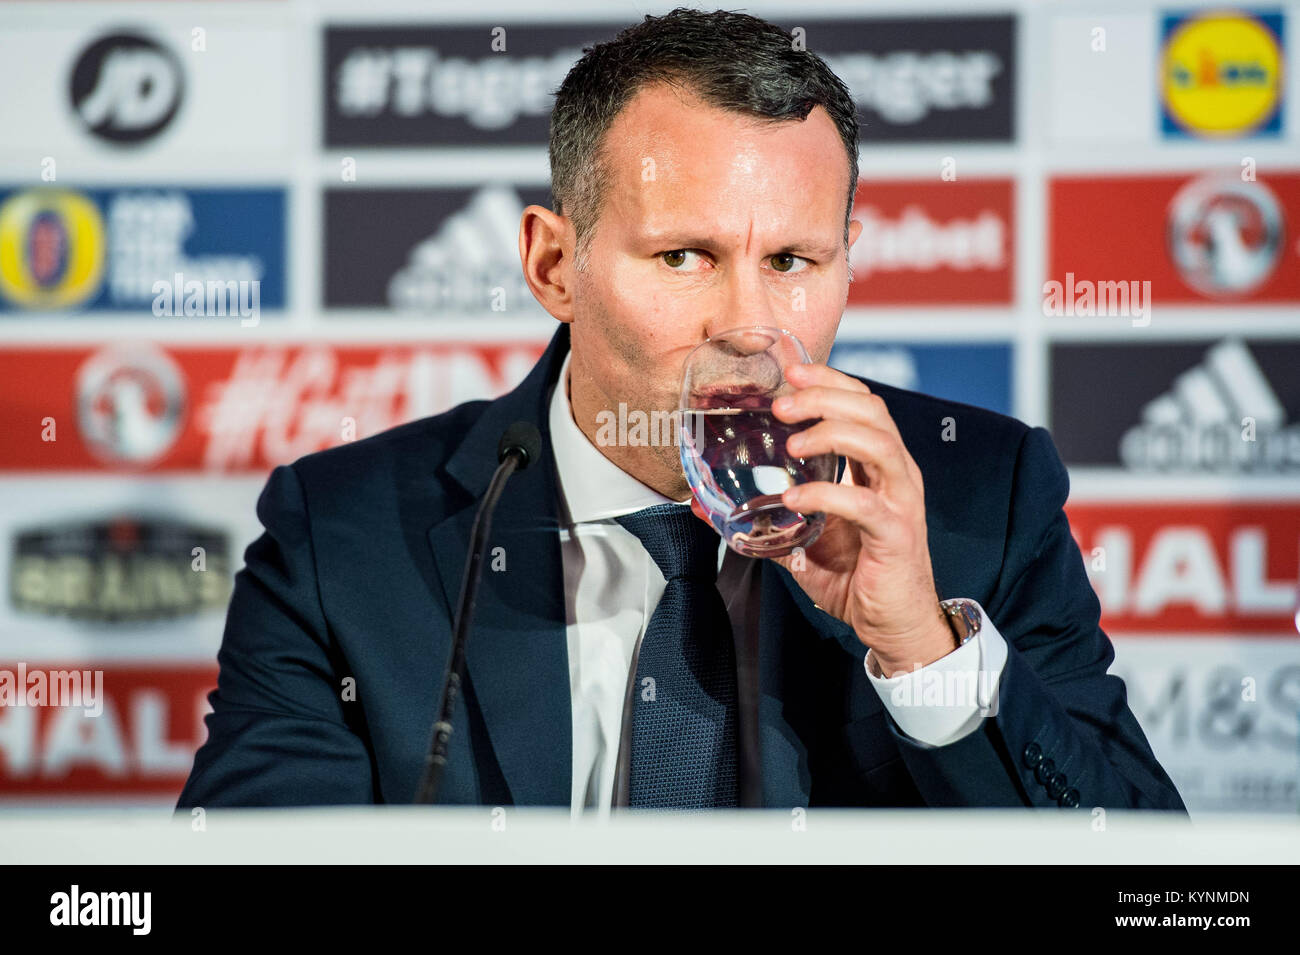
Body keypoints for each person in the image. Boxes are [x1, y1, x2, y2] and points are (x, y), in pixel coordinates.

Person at [177, 8, 1185, 814]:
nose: (747, 324)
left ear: (846, 265)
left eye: (791, 262)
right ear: (553, 263)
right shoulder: (347, 537)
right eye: (683, 257)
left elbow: (1156, 895)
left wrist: (920, 647)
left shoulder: (977, 500)